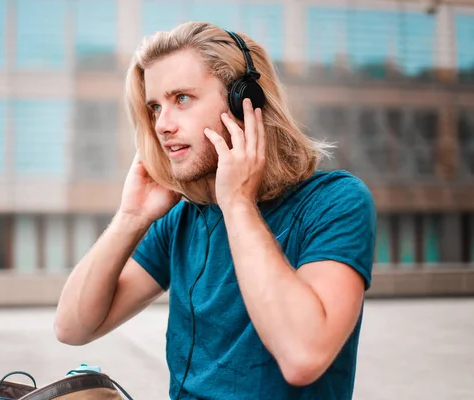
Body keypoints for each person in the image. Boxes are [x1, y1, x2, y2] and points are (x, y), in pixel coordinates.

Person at [55, 21, 376, 400]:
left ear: (245, 103)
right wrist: (132, 217)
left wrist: (238, 203)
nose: (162, 125)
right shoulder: (181, 218)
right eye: (155, 107)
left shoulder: (336, 202)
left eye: (182, 99)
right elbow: (72, 328)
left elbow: (303, 356)